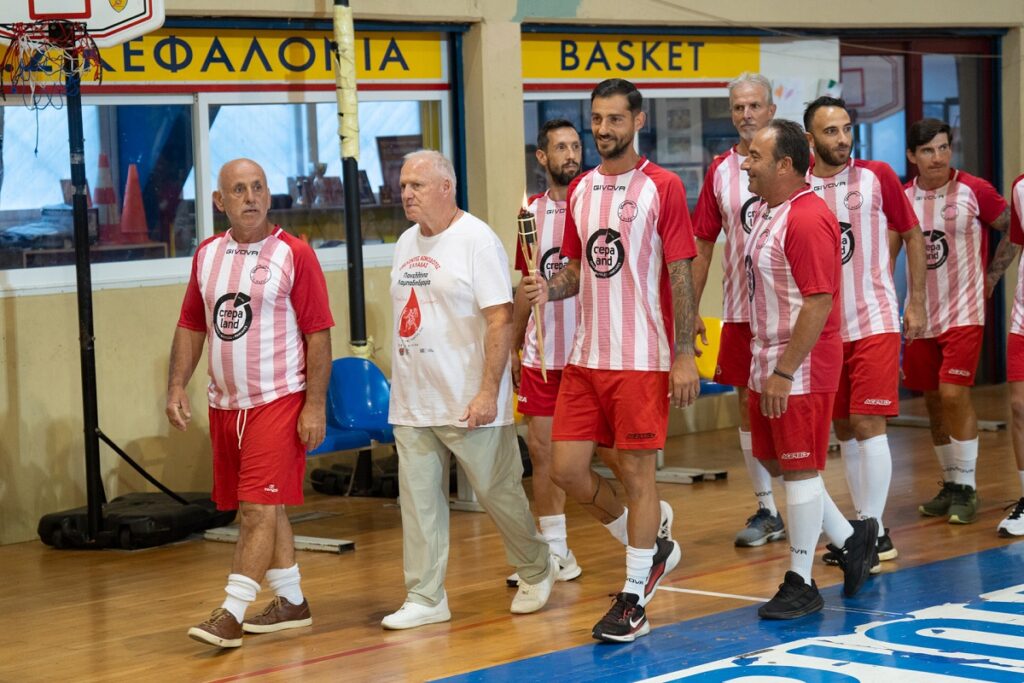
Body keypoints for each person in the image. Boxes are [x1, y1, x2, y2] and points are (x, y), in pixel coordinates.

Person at [523, 78, 695, 643]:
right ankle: (649, 549)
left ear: (638, 121)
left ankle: (634, 598)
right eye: (596, 118)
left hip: (641, 358)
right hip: (585, 358)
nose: (602, 129)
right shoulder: (582, 189)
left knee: (638, 475)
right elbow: (576, 268)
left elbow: (680, 273)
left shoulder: (662, 186)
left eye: (615, 119)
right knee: (566, 470)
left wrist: (684, 354)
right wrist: (548, 288)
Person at [383, 149, 558, 630]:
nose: (406, 194)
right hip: (414, 399)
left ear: (447, 187)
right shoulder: (405, 242)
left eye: (416, 185)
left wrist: (487, 392)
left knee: (498, 493)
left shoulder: (477, 240)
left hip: (469, 397)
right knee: (419, 504)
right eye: (403, 186)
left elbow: (501, 320)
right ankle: (425, 596)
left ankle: (536, 568)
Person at [168, 158, 334, 648]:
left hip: (278, 401)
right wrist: (176, 386)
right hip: (225, 406)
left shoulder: (295, 254)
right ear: (219, 201)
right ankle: (292, 601)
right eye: (239, 190)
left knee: (257, 509)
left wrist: (315, 405)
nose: (251, 198)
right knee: (267, 504)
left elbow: (319, 335)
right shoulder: (206, 255)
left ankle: (232, 612)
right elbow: (191, 325)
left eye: (258, 187)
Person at [508, 119, 675, 588]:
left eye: (574, 146)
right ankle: (557, 550)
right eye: (560, 147)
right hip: (546, 353)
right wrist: (516, 344)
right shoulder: (530, 212)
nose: (570, 154)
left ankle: (648, 528)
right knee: (547, 456)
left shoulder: (604, 197)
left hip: (601, 353)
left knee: (620, 458)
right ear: (542, 157)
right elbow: (526, 282)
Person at [741, 120, 878, 619]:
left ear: (785, 165)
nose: (745, 163)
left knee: (800, 468)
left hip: (800, 364)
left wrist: (784, 371)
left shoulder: (806, 217)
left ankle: (801, 581)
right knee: (777, 462)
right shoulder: (768, 210)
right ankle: (851, 539)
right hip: (768, 358)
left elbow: (819, 301)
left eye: (755, 157)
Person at [804, 96, 927, 567]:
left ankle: (872, 532)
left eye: (846, 128)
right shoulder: (798, 187)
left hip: (875, 319)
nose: (842, 139)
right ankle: (865, 530)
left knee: (867, 423)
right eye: (831, 131)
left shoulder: (877, 176)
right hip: (824, 330)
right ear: (810, 139)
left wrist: (916, 301)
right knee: (844, 429)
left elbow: (912, 233)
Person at [903, 119, 1013, 524]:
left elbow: (1014, 228)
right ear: (912, 156)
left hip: (964, 312)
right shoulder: (903, 197)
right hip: (920, 316)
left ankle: (967, 487)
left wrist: (992, 277)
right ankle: (950, 483)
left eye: (944, 148)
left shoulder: (974, 189)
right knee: (932, 400)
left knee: (952, 395)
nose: (938, 157)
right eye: (928, 150)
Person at [692, 72, 786, 548]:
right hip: (740, 312)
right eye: (738, 107)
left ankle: (819, 510)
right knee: (748, 409)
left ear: (771, 110)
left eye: (754, 105)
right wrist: (689, 308)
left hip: (791, 315)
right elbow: (703, 244)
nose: (746, 114)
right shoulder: (720, 171)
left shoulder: (797, 161)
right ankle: (768, 509)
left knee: (794, 409)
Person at [1001, 171, 1024, 536]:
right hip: (1022, 319)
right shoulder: (1020, 186)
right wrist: (990, 281)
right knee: (1020, 407)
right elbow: (1017, 242)